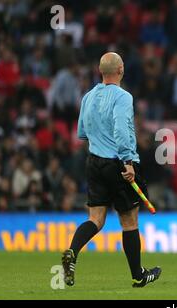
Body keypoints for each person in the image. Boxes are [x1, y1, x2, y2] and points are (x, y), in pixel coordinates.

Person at [61, 52, 161, 288]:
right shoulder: (123, 97)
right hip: (118, 163)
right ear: (121, 69)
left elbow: (81, 132)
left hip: (94, 162)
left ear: (100, 71)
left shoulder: (88, 96)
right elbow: (121, 130)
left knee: (95, 219)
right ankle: (138, 275)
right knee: (129, 221)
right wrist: (127, 162)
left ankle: (73, 251)